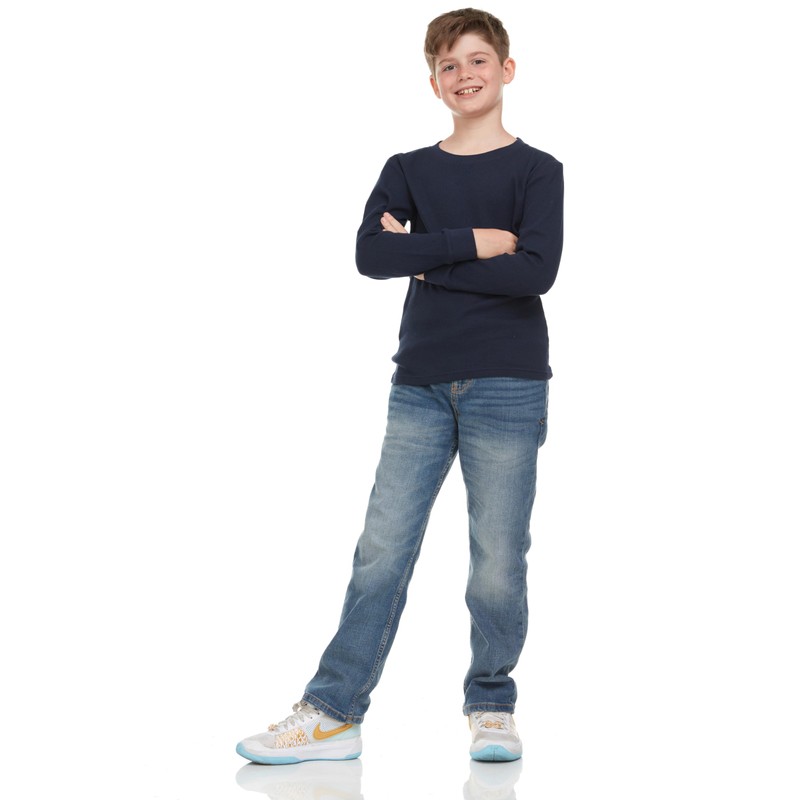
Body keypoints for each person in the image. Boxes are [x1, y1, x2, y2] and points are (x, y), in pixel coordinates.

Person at [237, 7, 563, 765]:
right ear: (433, 81)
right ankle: (333, 713)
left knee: (497, 560)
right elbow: (370, 257)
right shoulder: (409, 168)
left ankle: (491, 705)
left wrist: (424, 257)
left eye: (478, 60)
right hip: (419, 382)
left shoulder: (538, 170)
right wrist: (475, 242)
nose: (464, 74)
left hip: (509, 382)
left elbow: (535, 272)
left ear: (507, 70)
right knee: (380, 551)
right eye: (449, 65)